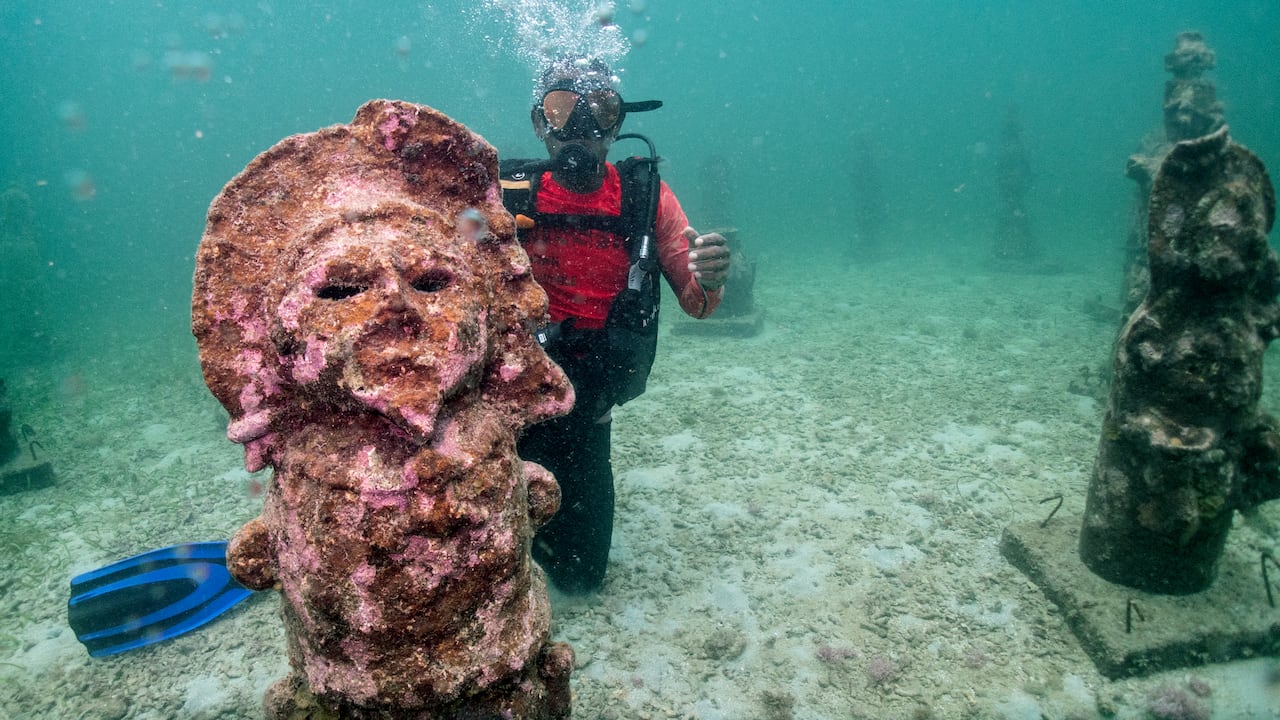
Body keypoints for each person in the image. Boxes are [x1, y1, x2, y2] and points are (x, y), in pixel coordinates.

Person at [504, 57, 730, 594]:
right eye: (562, 111)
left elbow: (698, 305)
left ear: (617, 122)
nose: (580, 128)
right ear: (540, 122)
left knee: (580, 576)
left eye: (599, 112)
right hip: (508, 400)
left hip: (590, 406)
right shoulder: (505, 193)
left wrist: (712, 275)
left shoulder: (646, 196)